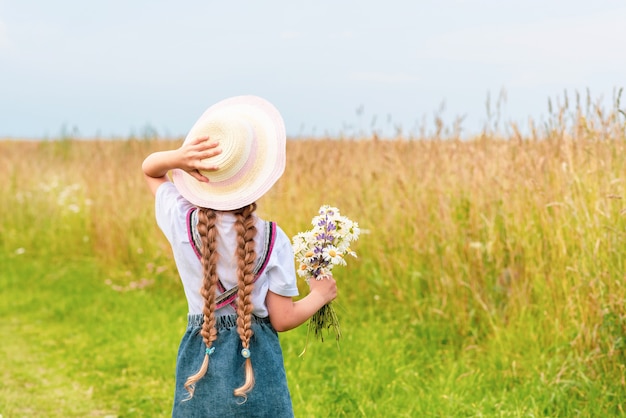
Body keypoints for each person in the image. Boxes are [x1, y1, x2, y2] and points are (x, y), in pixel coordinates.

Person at [141, 95, 337, 417]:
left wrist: (178, 158)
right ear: (257, 179)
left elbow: (151, 171)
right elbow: (282, 318)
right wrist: (320, 295)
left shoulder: (181, 220)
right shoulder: (274, 239)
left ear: (198, 174)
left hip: (201, 350)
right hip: (256, 360)